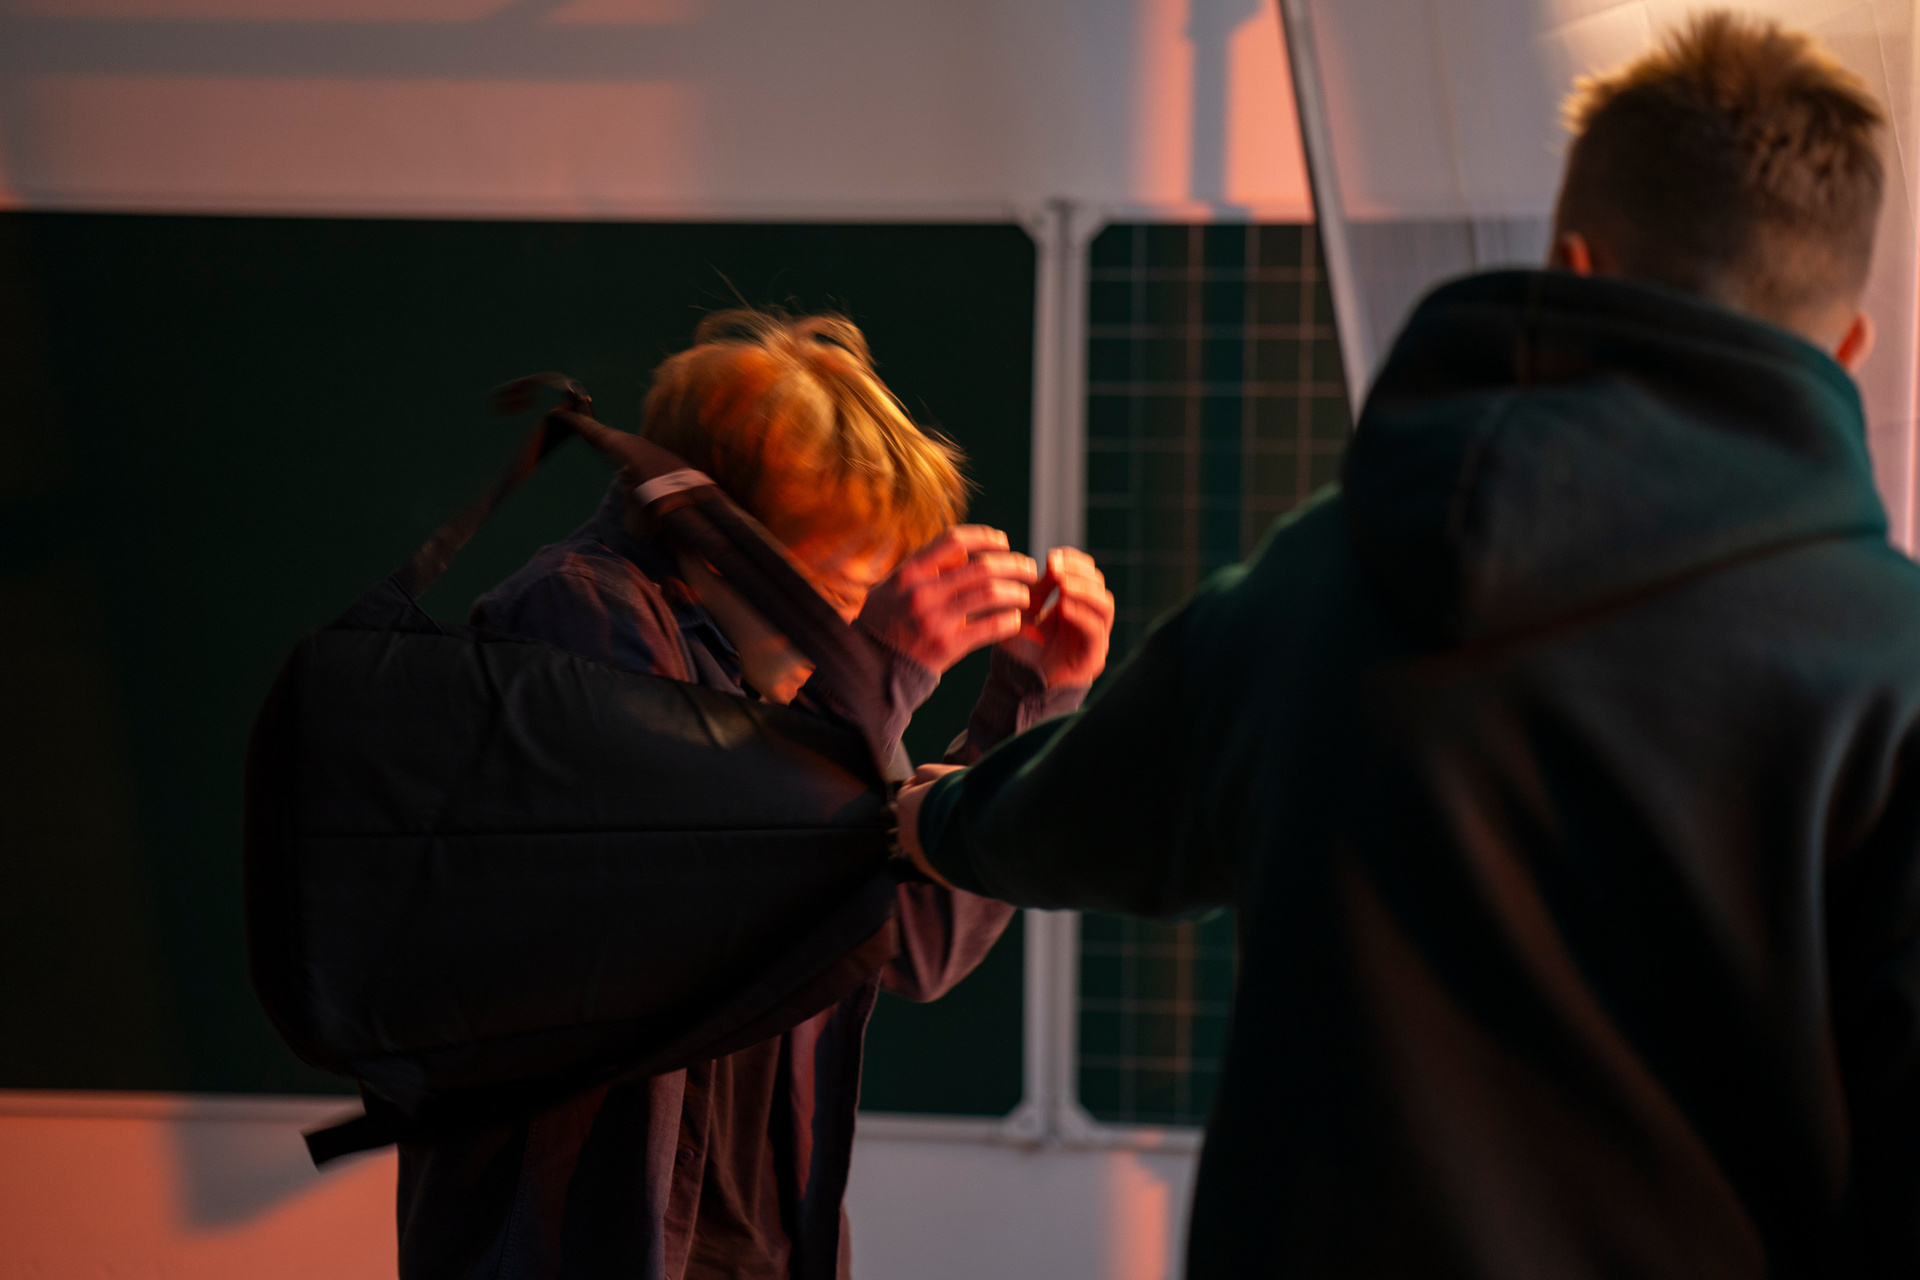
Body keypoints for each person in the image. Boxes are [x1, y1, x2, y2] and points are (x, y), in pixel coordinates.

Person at [899, 13, 1916, 1276]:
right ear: (1850, 345)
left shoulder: (1313, 585)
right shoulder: (1895, 669)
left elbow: (1067, 817)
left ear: (1572, 267)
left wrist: (927, 818)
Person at [396, 309, 1114, 1280]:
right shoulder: (574, 616)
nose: (851, 615)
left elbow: (916, 943)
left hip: (764, 1241)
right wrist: (877, 669)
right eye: (839, 583)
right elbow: (693, 876)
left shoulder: (790, 684)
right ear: (718, 537)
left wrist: (1026, 699)